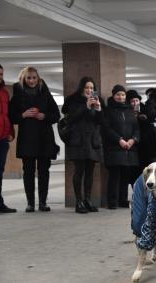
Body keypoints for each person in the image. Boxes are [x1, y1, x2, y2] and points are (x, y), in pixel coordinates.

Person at [9, 66, 60, 212]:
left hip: (44, 138)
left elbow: (56, 114)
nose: (32, 81)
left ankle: (43, 202)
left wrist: (44, 116)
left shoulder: (44, 91)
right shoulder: (18, 93)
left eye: (34, 78)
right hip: (27, 138)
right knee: (28, 171)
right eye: (29, 78)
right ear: (24, 79)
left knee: (44, 171)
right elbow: (12, 116)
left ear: (38, 78)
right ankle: (30, 203)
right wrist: (23, 115)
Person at [61, 76, 104, 214]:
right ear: (81, 88)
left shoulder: (97, 101)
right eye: (87, 87)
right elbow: (71, 119)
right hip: (78, 141)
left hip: (92, 141)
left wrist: (98, 110)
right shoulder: (73, 101)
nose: (89, 90)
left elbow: (102, 122)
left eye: (92, 88)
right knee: (79, 171)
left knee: (90, 172)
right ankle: (78, 201)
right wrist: (86, 107)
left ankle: (87, 200)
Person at [103, 84, 140, 209]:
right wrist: (119, 140)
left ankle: (123, 200)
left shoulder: (130, 111)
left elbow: (136, 128)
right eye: (118, 94)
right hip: (115, 148)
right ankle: (112, 201)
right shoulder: (108, 111)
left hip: (129, 148)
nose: (120, 97)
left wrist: (133, 140)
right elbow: (106, 129)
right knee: (114, 176)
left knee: (125, 175)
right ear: (113, 96)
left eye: (123, 94)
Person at [0, 62, 16, 213]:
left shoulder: (4, 93)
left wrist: (10, 131)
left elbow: (6, 115)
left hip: (2, 139)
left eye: (1, 74)